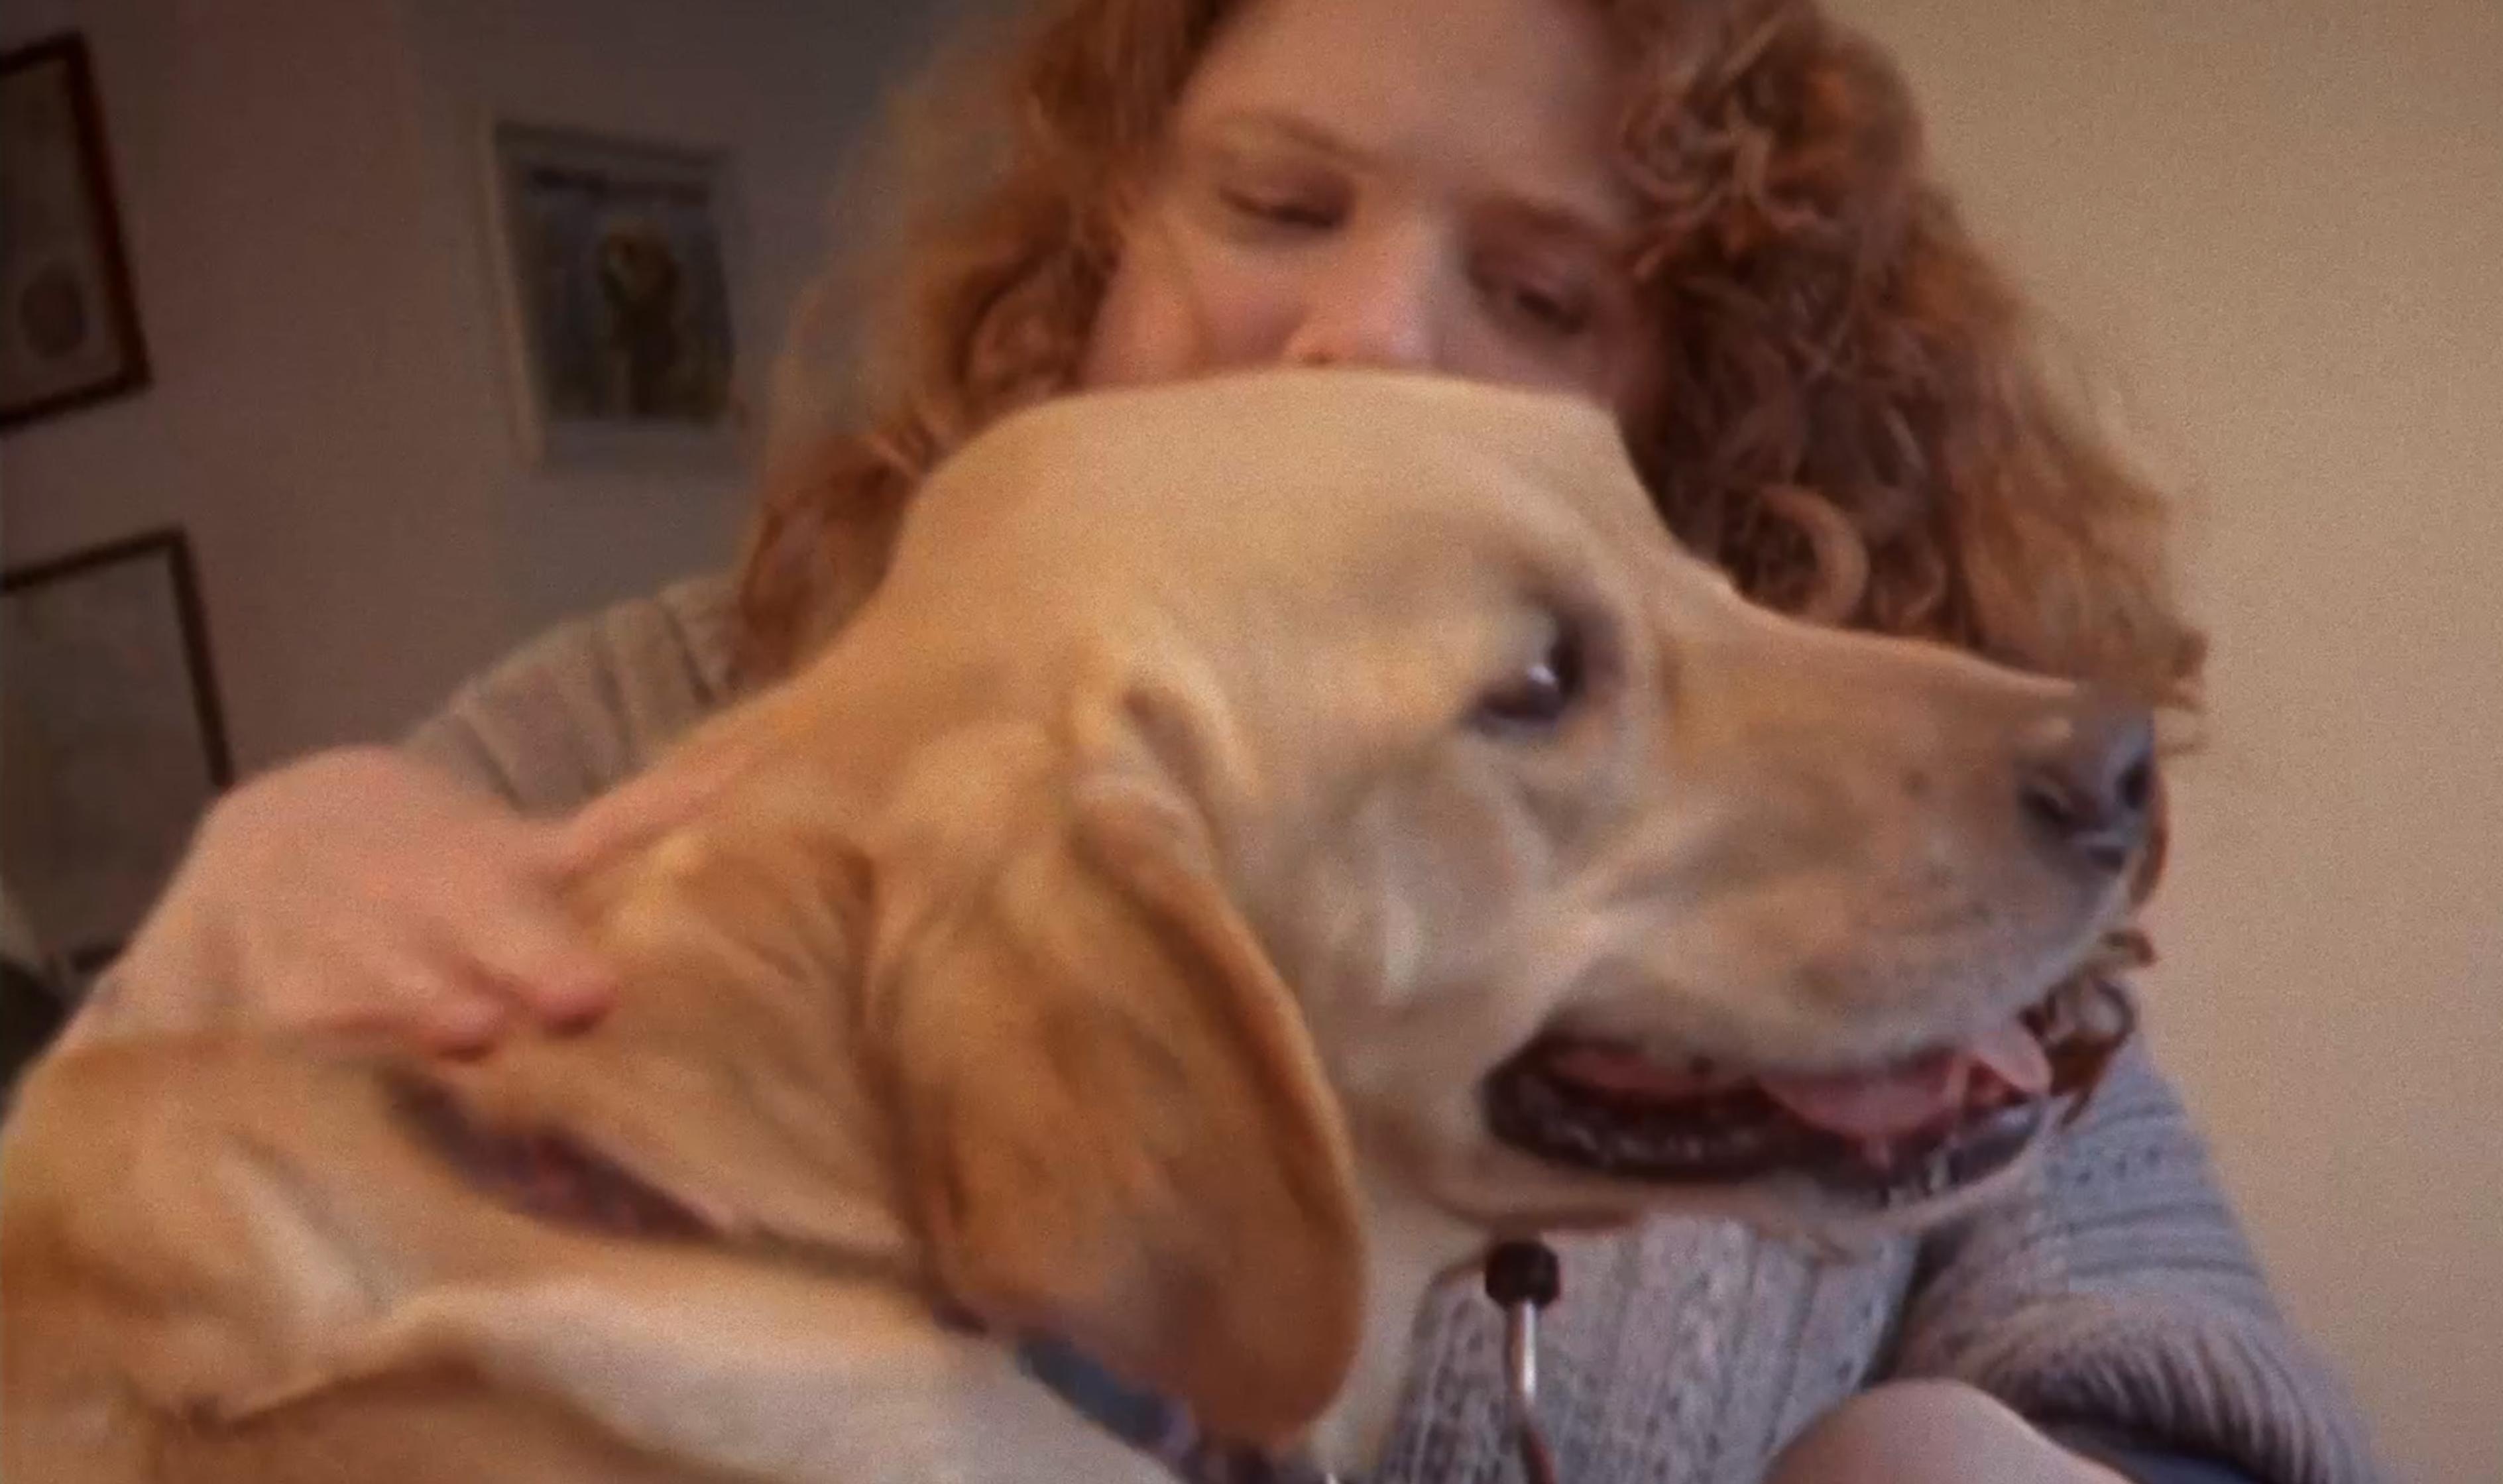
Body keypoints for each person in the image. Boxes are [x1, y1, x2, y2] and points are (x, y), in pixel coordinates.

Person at [68, 0, 2377, 1480]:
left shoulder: (1861, 832)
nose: (1368, 331)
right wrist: (242, 900)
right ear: (1104, 233)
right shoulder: (628, 739)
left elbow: (2189, 1353)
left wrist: (1994, 1459)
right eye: (1275, 202)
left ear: (1695, 384)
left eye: (1544, 289)